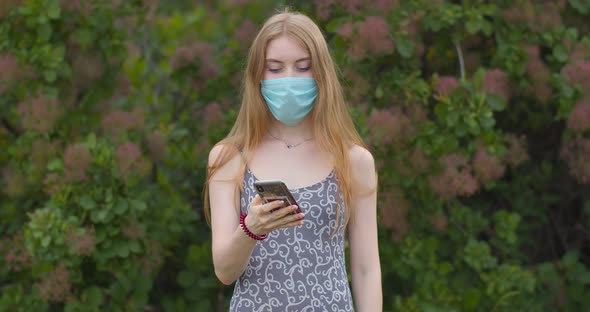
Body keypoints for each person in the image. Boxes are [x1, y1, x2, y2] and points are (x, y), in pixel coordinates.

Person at [206, 8, 382, 312]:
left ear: (322, 73)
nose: (289, 79)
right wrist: (251, 228)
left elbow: (366, 270)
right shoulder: (228, 158)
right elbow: (224, 271)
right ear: (257, 75)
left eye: (303, 67)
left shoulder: (353, 160)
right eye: (275, 68)